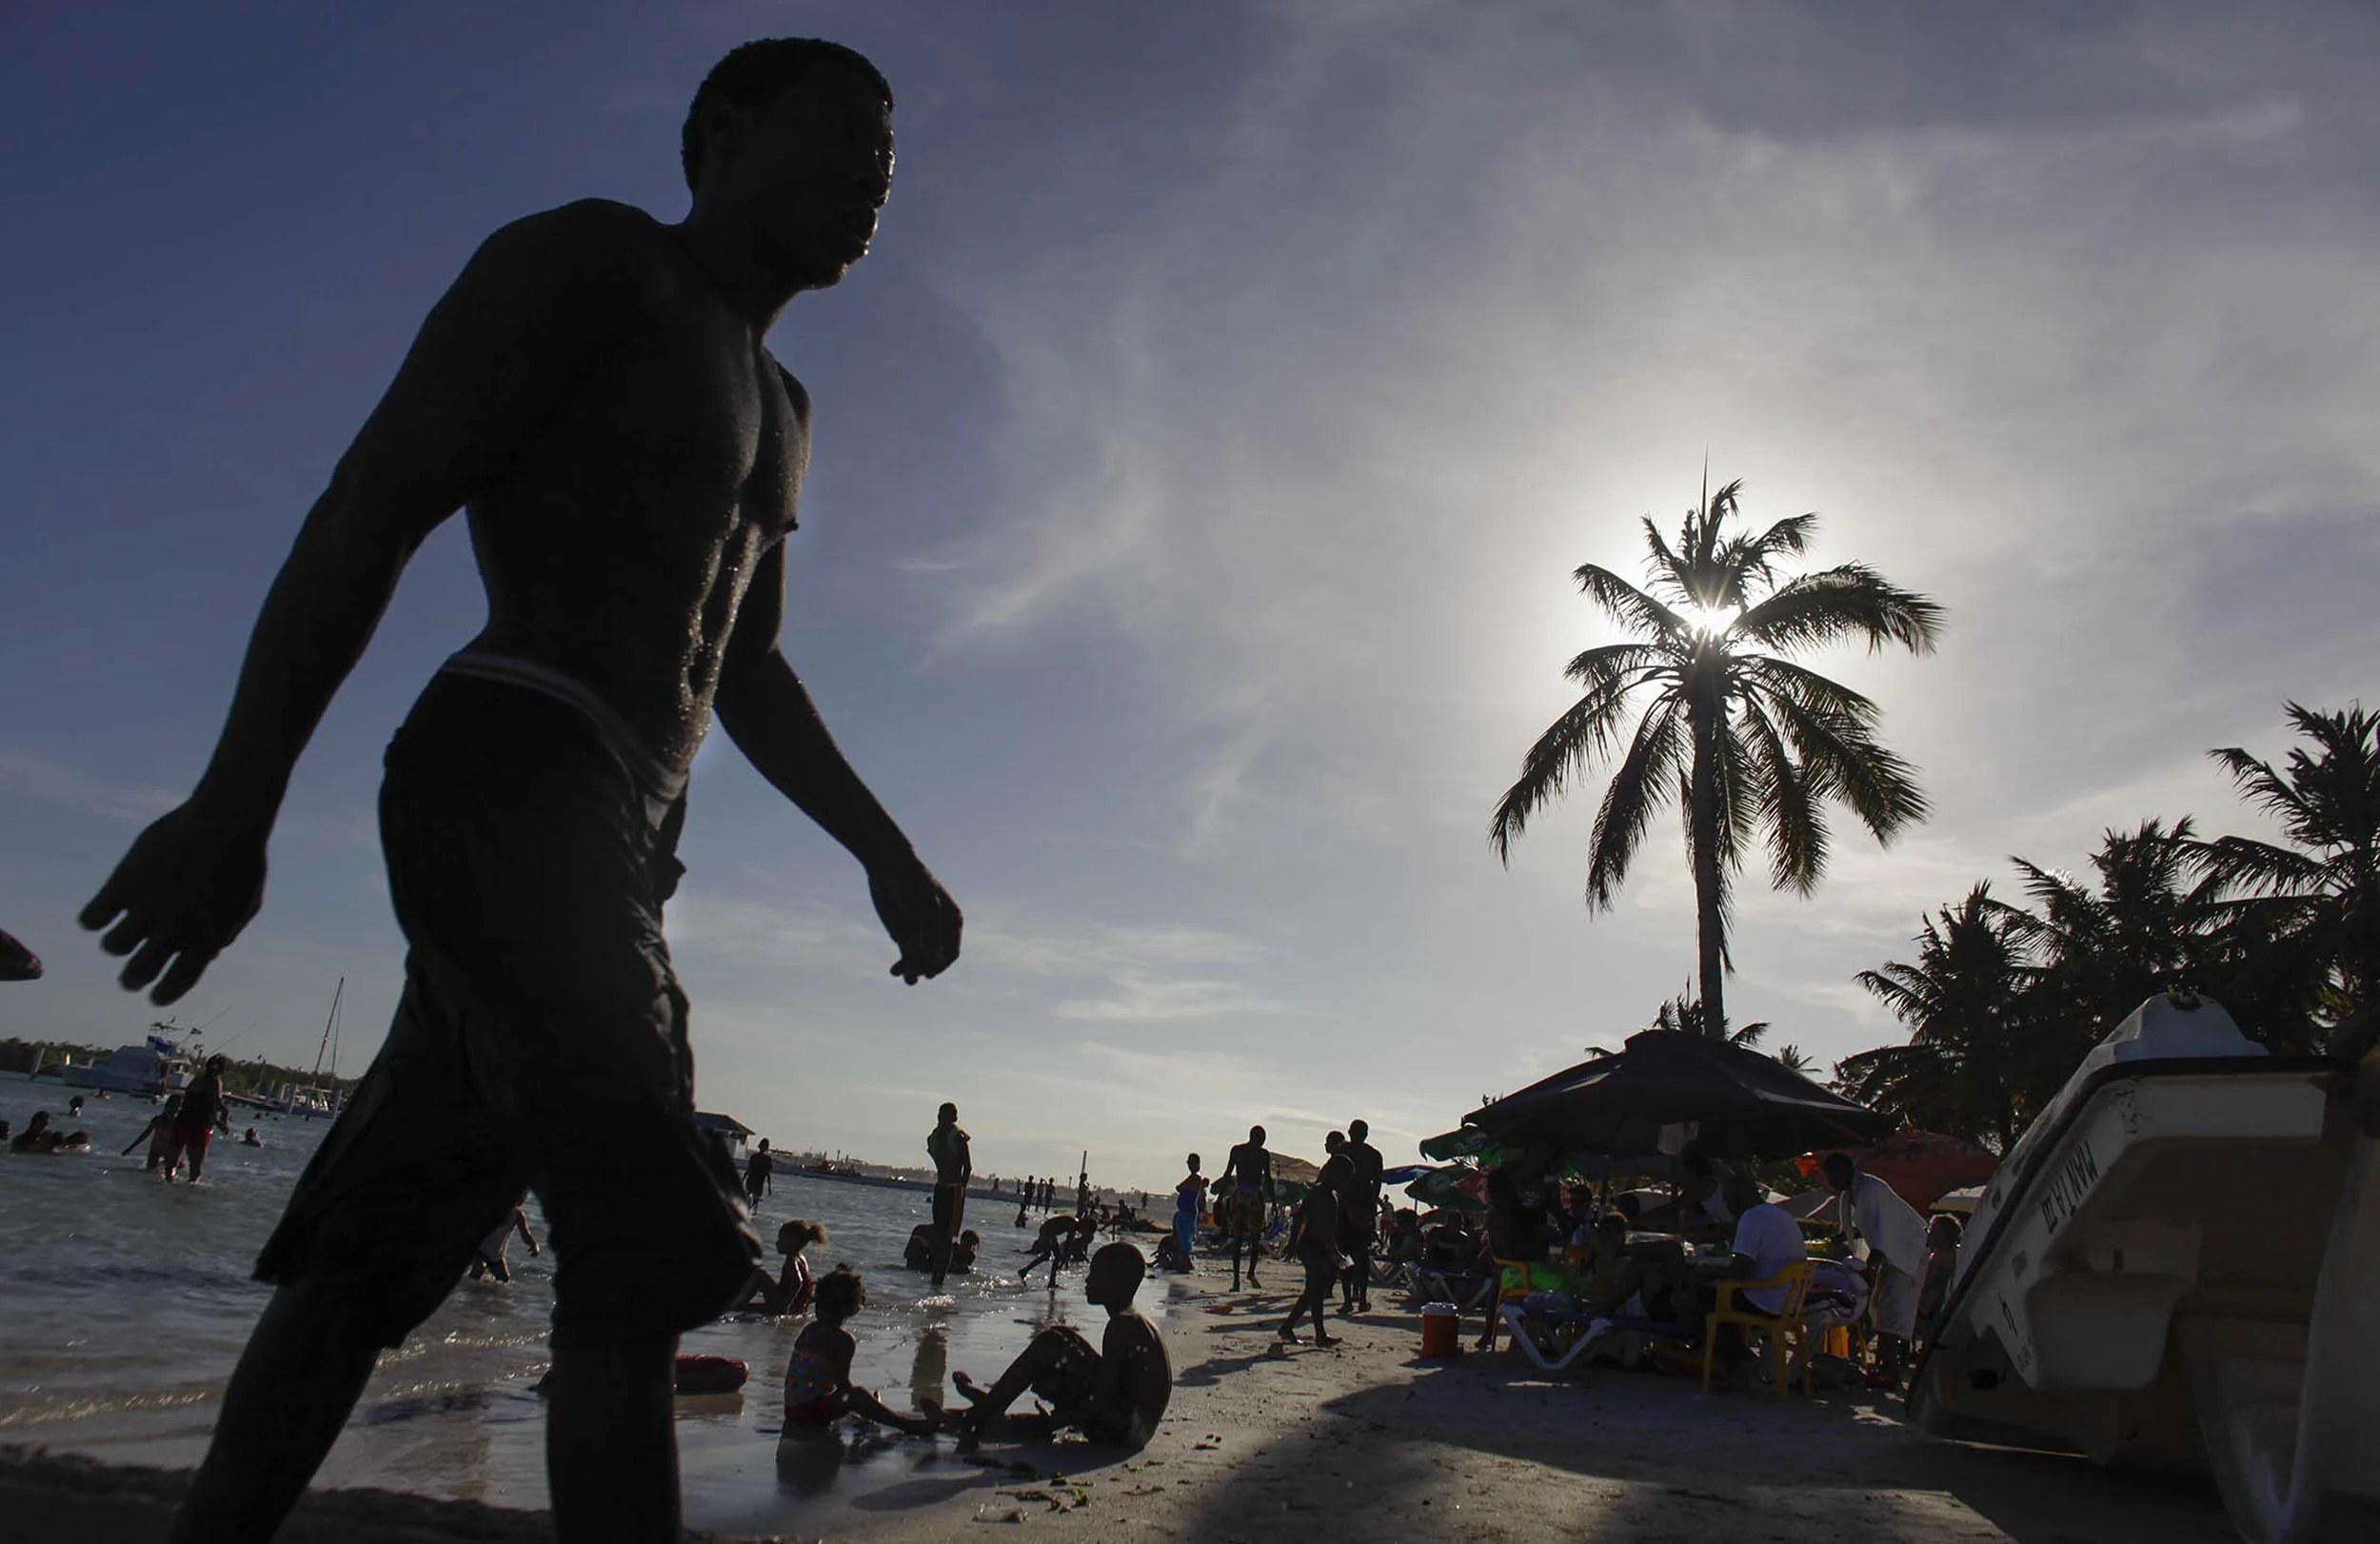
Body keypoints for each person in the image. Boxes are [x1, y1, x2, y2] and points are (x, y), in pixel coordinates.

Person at [77, 38, 963, 1544]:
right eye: (845, 136)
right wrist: (238, 799)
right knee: (641, 1238)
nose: (877, 175)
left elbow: (744, 666)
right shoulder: (594, 265)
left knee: (369, 1252)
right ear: (725, 135)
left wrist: (886, 851)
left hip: (611, 855)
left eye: (893, 155)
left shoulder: (789, 404)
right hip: (512, 764)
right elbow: (371, 504)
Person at [951, 1242, 1170, 1451]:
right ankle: (992, 1407)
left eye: (1095, 1273)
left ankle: (985, 1415)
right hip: (1130, 1422)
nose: (1087, 1280)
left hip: (1126, 1430)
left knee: (1050, 1344)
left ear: (1115, 1283)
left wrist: (1049, 1425)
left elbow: (1102, 1395)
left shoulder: (1122, 1325)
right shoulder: (1130, 1319)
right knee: (1062, 1336)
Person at [781, 1266, 941, 1435]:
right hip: (809, 1414)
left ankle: (876, 1414)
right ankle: (906, 1425)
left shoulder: (809, 1329)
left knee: (856, 1397)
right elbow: (843, 1386)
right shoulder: (843, 1339)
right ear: (849, 1308)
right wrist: (862, 1405)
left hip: (792, 1410)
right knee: (857, 1395)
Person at [1824, 1153, 1928, 1385]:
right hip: (1892, 1254)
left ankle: (1891, 1374)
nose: (1829, 1181)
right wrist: (1845, 1235)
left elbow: (1885, 1233)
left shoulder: (1871, 1189)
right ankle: (1883, 1367)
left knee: (1892, 1313)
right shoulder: (1852, 1193)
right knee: (1880, 1310)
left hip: (1905, 1254)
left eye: (1831, 1175)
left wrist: (1870, 1268)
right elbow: (1871, 1227)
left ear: (1844, 1171)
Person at [1712, 1172, 1808, 1384]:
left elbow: (1740, 1270)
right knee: (1712, 1294)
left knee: (1695, 1300)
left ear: (1740, 1195)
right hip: (1788, 1301)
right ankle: (1735, 1360)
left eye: (1728, 1198)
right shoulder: (1779, 1214)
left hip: (1766, 1301)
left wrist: (1708, 1271)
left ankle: (1741, 1362)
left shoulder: (1751, 1217)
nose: (1727, 1205)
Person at [1277, 1151, 1344, 1347]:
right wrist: (1336, 1253)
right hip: (1311, 1247)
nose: (1346, 1181)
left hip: (1314, 1246)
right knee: (1315, 1288)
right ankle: (1314, 1333)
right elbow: (1320, 1227)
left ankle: (1294, 1328)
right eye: (1345, 1176)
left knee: (1315, 1289)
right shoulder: (1324, 1195)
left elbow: (1301, 1218)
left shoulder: (1325, 1193)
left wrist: (1292, 1242)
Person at [1215, 1126, 1276, 1292]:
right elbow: (1268, 1180)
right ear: (1260, 1138)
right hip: (1254, 1195)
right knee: (1255, 1238)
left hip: (1240, 1195)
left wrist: (1220, 1197)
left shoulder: (1238, 1150)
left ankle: (1236, 1281)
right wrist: (1274, 1202)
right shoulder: (1263, 1154)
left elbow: (1227, 1174)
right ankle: (1249, 1273)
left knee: (1238, 1239)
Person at [164, 1056, 234, 1182]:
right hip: (200, 1126)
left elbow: (193, 1102)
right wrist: (224, 1117)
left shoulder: (197, 1079)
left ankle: (167, 1186)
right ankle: (188, 1193)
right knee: (195, 1170)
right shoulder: (215, 1082)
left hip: (183, 1121)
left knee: (171, 1163)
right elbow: (216, 1103)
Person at [925, 1102, 971, 1289]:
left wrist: (961, 1189)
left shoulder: (958, 1137)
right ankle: (935, 1280)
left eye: (945, 1116)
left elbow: (967, 1166)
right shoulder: (933, 1137)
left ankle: (939, 1280)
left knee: (947, 1238)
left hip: (954, 1189)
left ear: (954, 1118)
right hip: (941, 1188)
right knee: (939, 1235)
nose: (941, 1119)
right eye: (939, 1115)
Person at [736, 1219, 824, 1316]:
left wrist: (786, 1306)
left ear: (792, 1241)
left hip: (784, 1307)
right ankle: (742, 1304)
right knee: (753, 1306)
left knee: (760, 1275)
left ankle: (740, 1303)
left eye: (780, 1239)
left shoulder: (792, 1260)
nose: (777, 1243)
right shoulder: (802, 1258)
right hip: (796, 1308)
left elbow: (798, 1282)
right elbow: (804, 1286)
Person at [1340, 1119, 1383, 1315]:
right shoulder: (1373, 1155)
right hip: (1363, 1206)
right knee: (1361, 1255)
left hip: (1346, 1205)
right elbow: (1377, 1185)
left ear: (1350, 1132)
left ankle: (1349, 1300)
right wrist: (1369, 1208)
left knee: (1345, 1254)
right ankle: (1361, 1299)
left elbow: (1335, 1177)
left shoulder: (1344, 1150)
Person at [1914, 1213, 1964, 1348]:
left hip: (1933, 1307)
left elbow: (1927, 1281)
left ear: (1942, 1235)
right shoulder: (1956, 1253)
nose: (1929, 1233)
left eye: (1932, 1230)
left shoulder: (1940, 1256)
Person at [468, 1199, 543, 1284]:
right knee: (479, 1268)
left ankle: (485, 1295)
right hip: (478, 1249)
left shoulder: (518, 1215)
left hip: (495, 1255)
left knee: (504, 1279)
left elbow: (525, 1234)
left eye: (521, 1197)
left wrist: (533, 1245)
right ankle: (466, 1290)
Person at [1019, 1213, 1085, 1284]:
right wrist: (1064, 1259)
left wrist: (1065, 1259)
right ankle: (1051, 1281)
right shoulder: (1073, 1224)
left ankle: (1025, 1271)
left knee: (1048, 1256)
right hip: (1047, 1231)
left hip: (1050, 1232)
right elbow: (1068, 1243)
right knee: (1052, 1256)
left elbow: (1069, 1244)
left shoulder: (1074, 1224)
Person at [1172, 1154, 1207, 1267]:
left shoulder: (1195, 1178)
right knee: (1182, 1234)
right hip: (1185, 1211)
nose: (1190, 1166)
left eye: (1192, 1164)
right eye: (1189, 1164)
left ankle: (1185, 1262)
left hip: (1189, 1211)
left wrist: (1183, 1187)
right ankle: (1183, 1261)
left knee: (1185, 1236)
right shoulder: (1193, 1178)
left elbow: (1179, 1187)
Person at [744, 1138, 774, 1206]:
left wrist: (769, 1187)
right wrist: (769, 1188)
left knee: (750, 1199)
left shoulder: (754, 1157)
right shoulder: (767, 1159)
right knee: (754, 1201)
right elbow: (768, 1173)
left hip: (754, 1181)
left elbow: (748, 1169)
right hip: (757, 1182)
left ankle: (748, 1211)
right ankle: (750, 1212)